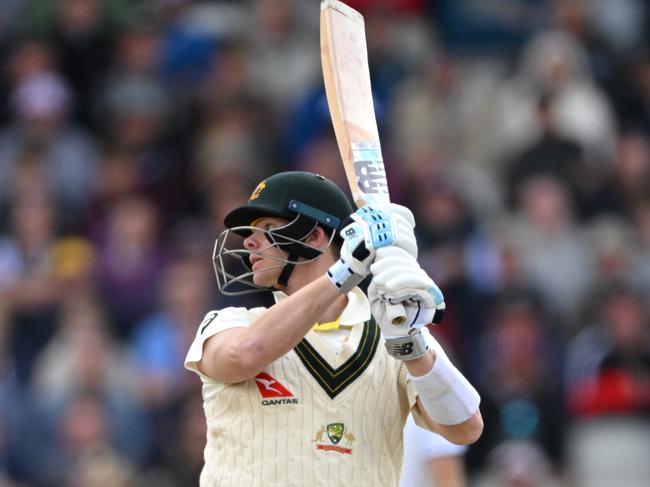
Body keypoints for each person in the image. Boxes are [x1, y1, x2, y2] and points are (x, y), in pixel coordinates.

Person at [184, 171, 483, 486]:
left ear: (314, 237)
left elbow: (465, 428)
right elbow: (244, 355)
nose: (248, 241)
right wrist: (346, 271)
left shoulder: (388, 333)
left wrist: (410, 340)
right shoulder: (231, 323)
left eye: (268, 228)